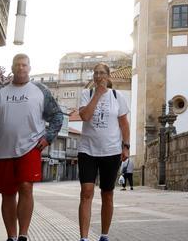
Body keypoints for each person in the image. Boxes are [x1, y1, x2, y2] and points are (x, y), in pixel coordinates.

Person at [0, 54, 64, 241]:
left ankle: (23, 235)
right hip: (3, 149)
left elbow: (57, 116)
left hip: (30, 147)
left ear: (30, 68)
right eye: (17, 65)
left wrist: (48, 138)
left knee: (26, 187)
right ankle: (11, 236)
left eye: (24, 65)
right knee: (8, 192)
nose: (21, 68)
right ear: (12, 67)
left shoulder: (40, 91)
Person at [76, 63, 130, 241]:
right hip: (87, 151)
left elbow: (124, 124)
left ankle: (104, 235)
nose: (98, 76)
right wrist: (97, 94)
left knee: (107, 193)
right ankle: (84, 238)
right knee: (86, 191)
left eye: (102, 73)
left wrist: (126, 146)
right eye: (96, 73)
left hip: (111, 151)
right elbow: (85, 116)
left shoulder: (117, 96)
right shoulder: (87, 94)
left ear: (108, 77)